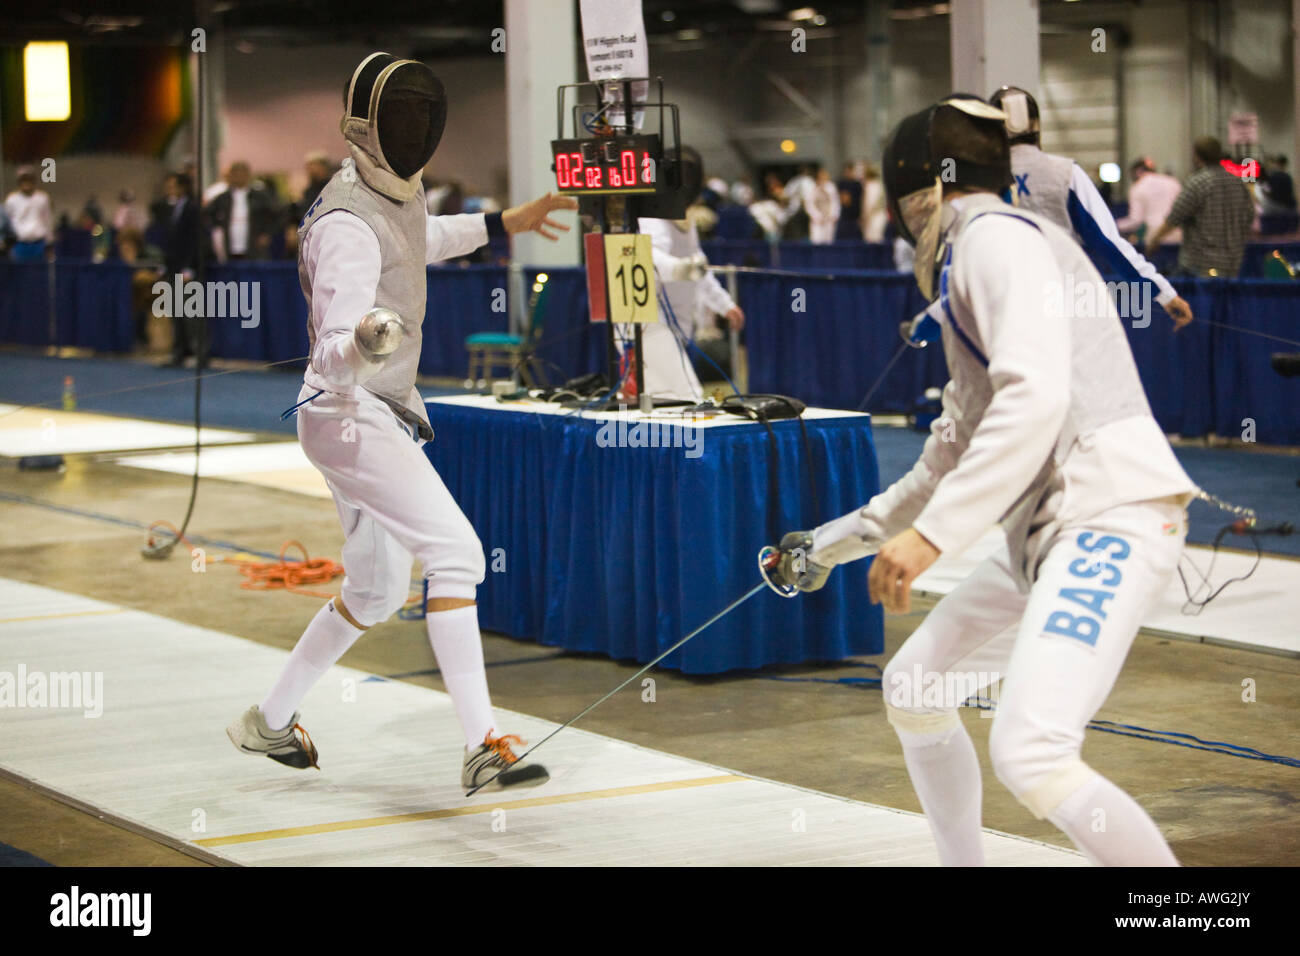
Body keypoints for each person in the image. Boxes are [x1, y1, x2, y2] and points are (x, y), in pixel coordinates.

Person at [768, 95, 1196, 867]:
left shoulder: (996, 236)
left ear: (927, 187)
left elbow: (1037, 395)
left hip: (1109, 516)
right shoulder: (980, 260)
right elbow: (948, 455)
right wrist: (827, 549)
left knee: (1031, 752)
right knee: (916, 686)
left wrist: (931, 539)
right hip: (1047, 534)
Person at [225, 52, 577, 795]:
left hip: (359, 414)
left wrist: (508, 220)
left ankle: (269, 721)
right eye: (404, 116)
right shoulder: (348, 223)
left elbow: (423, 238)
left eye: (424, 115)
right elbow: (330, 346)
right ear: (367, 126)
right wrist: (361, 341)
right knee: (458, 555)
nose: (416, 129)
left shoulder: (393, 198)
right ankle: (482, 742)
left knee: (377, 590)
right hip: (349, 411)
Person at [988, 87, 1192, 330]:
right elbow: (1108, 243)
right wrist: (1163, 293)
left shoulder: (978, 181)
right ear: (1035, 124)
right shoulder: (1065, 174)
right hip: (1058, 306)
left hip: (997, 307)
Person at [625, 147, 744, 402]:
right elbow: (650, 260)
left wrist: (725, 304)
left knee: (664, 397)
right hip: (649, 320)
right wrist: (682, 269)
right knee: (684, 393)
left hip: (676, 323)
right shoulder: (652, 217)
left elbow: (698, 266)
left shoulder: (683, 219)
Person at [1145, 137, 1256, 276]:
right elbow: (1250, 216)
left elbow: (1175, 217)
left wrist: (1154, 241)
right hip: (1233, 262)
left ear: (1197, 156)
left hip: (1201, 264)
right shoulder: (1238, 183)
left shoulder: (1197, 183)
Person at [160, 172, 205, 367]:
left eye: (172, 185)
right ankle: (179, 352)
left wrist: (189, 267)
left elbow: (194, 240)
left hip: (187, 270)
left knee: (191, 313)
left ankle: (199, 354)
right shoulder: (171, 209)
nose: (169, 189)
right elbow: (171, 240)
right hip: (173, 267)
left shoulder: (193, 210)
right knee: (176, 312)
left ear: (183, 187)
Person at [205, 161, 280, 262]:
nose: (239, 177)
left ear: (248, 175)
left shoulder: (260, 196)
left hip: (253, 245)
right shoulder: (223, 198)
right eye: (235, 174)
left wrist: (267, 233)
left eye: (242, 174)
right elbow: (208, 213)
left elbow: (277, 214)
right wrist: (219, 225)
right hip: (229, 244)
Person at [1114, 157, 1181, 246]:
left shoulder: (1137, 188)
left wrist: (1114, 225)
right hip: (1177, 235)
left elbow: (1135, 221)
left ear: (1137, 172)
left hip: (1154, 238)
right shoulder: (1173, 182)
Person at [4, 167, 54, 261]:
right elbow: (7, 223)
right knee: (19, 273)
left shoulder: (43, 198)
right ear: (19, 182)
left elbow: (48, 220)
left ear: (34, 181)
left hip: (39, 244)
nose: (26, 182)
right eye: (23, 180)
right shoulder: (12, 200)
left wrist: (49, 242)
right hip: (19, 245)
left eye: (29, 179)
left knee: (39, 273)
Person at [806, 165, 841, 244]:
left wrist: (834, 215)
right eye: (820, 176)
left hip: (829, 219)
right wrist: (817, 216)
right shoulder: (812, 188)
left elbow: (835, 202)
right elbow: (809, 205)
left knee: (828, 241)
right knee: (816, 241)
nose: (822, 178)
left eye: (824, 176)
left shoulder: (831, 187)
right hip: (817, 220)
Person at [836, 162, 864, 240]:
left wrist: (860, 216)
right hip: (843, 216)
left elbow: (860, 201)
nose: (847, 173)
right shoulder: (841, 183)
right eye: (846, 171)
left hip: (855, 216)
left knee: (855, 238)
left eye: (849, 171)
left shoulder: (857, 184)